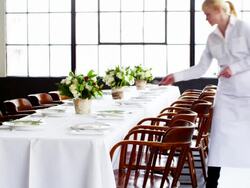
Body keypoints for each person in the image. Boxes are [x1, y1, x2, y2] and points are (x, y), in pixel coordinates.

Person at [159, 0, 250, 187]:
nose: (206, 18)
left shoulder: (244, 28)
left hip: (248, 94)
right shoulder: (212, 38)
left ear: (218, 11)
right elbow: (200, 68)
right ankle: (212, 184)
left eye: (207, 14)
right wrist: (175, 76)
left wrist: (234, 68)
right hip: (226, 95)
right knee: (217, 141)